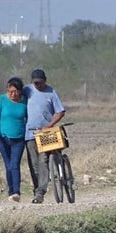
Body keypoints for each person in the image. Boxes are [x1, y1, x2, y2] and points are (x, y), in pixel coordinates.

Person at [24, 68, 66, 203]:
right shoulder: (27, 91)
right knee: (34, 164)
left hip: (46, 133)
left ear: (45, 81)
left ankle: (40, 191)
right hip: (30, 133)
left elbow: (60, 111)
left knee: (43, 161)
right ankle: (37, 188)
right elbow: (13, 97)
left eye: (41, 83)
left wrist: (49, 125)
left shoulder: (51, 93)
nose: (38, 85)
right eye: (36, 83)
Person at [0, 77, 28, 202]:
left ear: (20, 91)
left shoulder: (25, 102)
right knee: (8, 165)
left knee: (15, 164)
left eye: (16, 91)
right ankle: (11, 191)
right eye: (10, 91)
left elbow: (28, 118)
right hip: (3, 138)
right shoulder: (1, 100)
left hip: (19, 138)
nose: (13, 94)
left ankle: (16, 192)